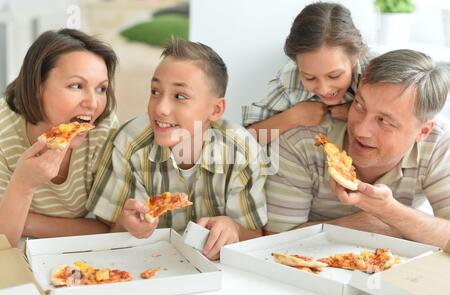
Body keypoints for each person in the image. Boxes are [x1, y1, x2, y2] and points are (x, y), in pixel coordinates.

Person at [87, 39, 268, 260]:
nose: (160, 108)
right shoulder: (129, 144)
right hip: (146, 264)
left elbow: (255, 236)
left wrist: (234, 228)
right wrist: (128, 227)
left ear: (216, 109)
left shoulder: (242, 152)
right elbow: (107, 232)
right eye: (155, 91)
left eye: (180, 96)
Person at [265, 49, 450, 248]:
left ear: (422, 131)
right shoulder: (300, 142)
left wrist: (389, 212)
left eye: (384, 121)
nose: (361, 130)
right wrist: (358, 225)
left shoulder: (439, 142)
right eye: (360, 105)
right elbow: (272, 243)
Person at [0, 29, 120, 247]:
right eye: (76, 85)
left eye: (101, 88)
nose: (93, 104)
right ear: (37, 87)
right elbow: (2, 244)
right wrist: (23, 185)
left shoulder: (103, 130)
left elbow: (109, 228)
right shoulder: (3, 131)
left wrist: (25, 222)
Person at [243, 2, 373, 143]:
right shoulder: (290, 78)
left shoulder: (376, 70)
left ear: (356, 57)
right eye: (310, 78)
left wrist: (358, 114)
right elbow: (246, 139)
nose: (324, 89)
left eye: (334, 75)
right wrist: (292, 117)